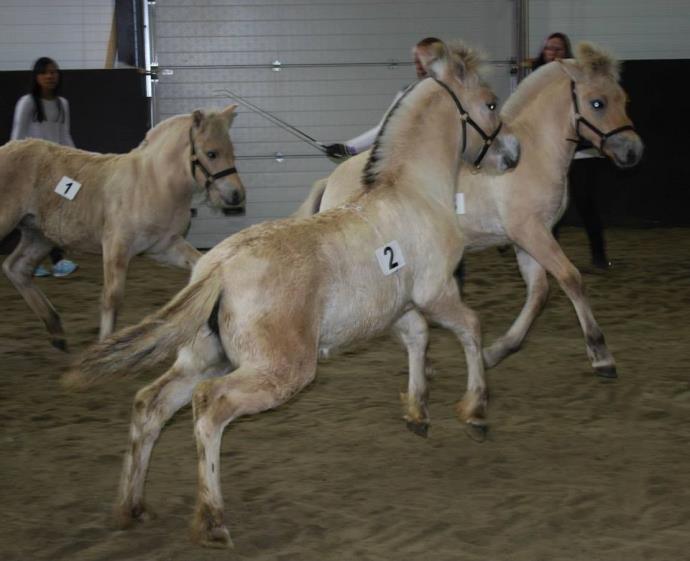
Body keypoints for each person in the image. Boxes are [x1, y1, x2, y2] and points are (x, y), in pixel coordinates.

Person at [532, 33, 612, 270]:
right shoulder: (537, 81)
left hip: (582, 154)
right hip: (551, 156)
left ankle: (599, 256)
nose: (553, 53)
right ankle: (550, 258)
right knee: (550, 208)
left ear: (566, 53)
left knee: (586, 203)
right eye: (548, 49)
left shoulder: (578, 80)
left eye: (557, 49)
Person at [11, 57, 79, 277]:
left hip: (59, 168)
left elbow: (64, 134)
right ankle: (46, 260)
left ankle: (52, 259)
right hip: (34, 169)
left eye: (54, 72)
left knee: (66, 202)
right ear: (37, 77)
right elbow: (17, 136)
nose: (50, 76)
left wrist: (79, 159)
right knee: (36, 216)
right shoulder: (27, 103)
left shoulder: (63, 104)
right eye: (45, 72)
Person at [324, 37, 443, 159]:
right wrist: (349, 148)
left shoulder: (456, 93)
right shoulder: (408, 93)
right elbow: (386, 128)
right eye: (416, 62)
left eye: (423, 61)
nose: (418, 66)